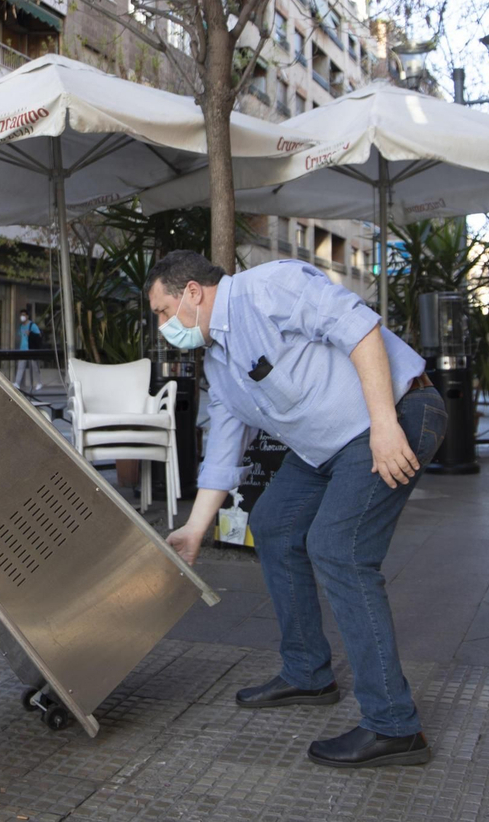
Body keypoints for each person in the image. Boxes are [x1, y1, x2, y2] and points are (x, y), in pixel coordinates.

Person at [153, 251, 446, 770]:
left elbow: (360, 330)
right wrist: (195, 529)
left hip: (395, 414)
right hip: (325, 449)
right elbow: (223, 447)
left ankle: (394, 726)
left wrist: (384, 425)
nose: (163, 326)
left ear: (192, 292)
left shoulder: (269, 287)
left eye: (163, 310)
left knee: (338, 549)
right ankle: (308, 673)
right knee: (273, 525)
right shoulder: (219, 362)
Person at [14, 309, 42, 391]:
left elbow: (39, 335)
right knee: (20, 366)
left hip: (31, 349)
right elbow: (20, 336)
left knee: (35, 367)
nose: (22, 317)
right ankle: (17, 383)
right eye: (21, 315)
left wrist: (31, 334)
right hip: (23, 349)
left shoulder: (32, 325)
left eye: (23, 315)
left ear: (27, 316)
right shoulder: (21, 326)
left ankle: (39, 383)